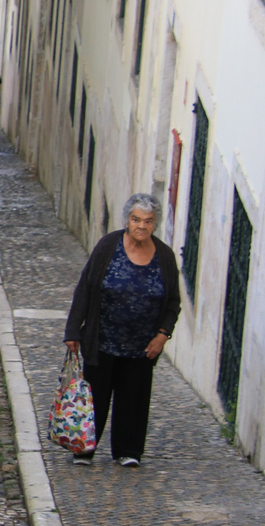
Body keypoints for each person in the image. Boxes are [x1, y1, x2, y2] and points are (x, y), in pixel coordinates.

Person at [63, 194, 181, 466]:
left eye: (148, 221)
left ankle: (128, 451)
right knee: (95, 397)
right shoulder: (108, 247)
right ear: (127, 220)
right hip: (102, 338)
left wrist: (162, 336)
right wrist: (73, 330)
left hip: (142, 345)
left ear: (155, 224)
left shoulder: (164, 256)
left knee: (134, 399)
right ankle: (84, 449)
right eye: (136, 219)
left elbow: (173, 302)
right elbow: (86, 287)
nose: (142, 226)